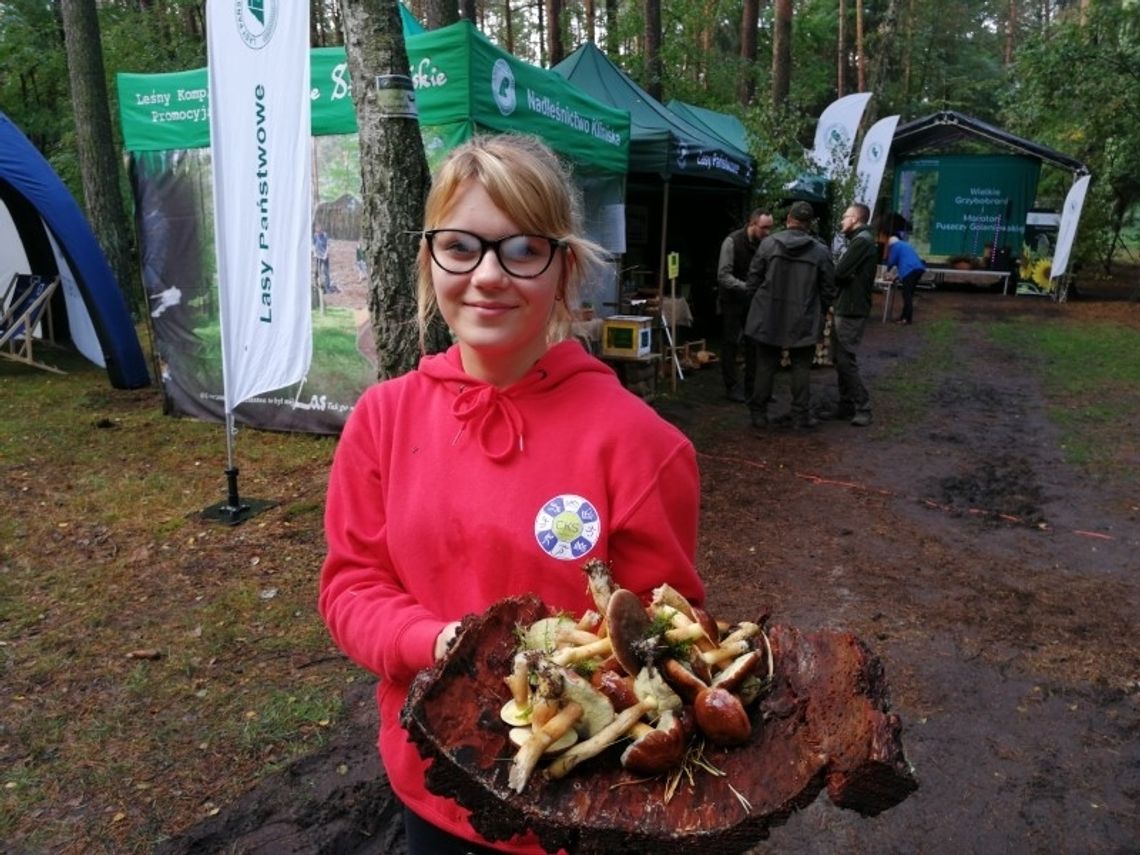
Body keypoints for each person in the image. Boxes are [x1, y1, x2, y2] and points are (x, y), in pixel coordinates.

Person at [318, 134, 705, 855]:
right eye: (460, 246)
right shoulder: (382, 419)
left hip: (580, 808)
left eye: (521, 248)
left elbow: (662, 645)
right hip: (433, 783)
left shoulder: (643, 446)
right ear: (430, 257)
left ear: (564, 267)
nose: (487, 275)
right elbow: (352, 587)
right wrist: (441, 646)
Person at [744, 200, 836, 430]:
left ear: (788, 220)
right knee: (801, 366)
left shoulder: (769, 244)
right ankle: (799, 416)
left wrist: (756, 306)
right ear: (809, 224)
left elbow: (753, 280)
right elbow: (827, 290)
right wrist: (821, 312)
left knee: (765, 364)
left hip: (768, 314)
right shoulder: (820, 252)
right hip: (803, 315)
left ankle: (759, 414)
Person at [826, 203, 878, 426]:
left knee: (845, 359)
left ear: (856, 218)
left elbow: (838, 272)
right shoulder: (861, 240)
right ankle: (845, 406)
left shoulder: (861, 241)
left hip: (851, 309)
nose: (841, 221)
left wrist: (845, 275)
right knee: (839, 358)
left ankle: (862, 406)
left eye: (845, 217)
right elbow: (844, 273)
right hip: (847, 306)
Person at [716, 209, 774, 402]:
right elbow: (723, 276)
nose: (768, 232)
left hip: (751, 301)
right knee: (730, 343)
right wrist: (747, 287)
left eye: (770, 228)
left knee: (753, 343)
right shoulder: (731, 242)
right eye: (764, 227)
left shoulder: (764, 245)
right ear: (752, 224)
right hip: (732, 300)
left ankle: (752, 388)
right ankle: (731, 387)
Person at [884, 230, 925, 324]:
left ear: (890, 243)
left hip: (909, 271)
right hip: (919, 269)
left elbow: (892, 261)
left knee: (907, 295)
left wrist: (887, 271)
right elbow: (905, 260)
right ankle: (903, 317)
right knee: (909, 294)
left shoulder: (895, 246)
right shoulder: (906, 244)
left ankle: (907, 319)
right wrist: (897, 275)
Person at [312, 225, 332, 293]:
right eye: (317, 232)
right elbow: (314, 244)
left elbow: (328, 245)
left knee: (326, 272)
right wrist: (314, 253)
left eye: (319, 232)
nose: (318, 233)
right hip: (318, 256)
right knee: (317, 271)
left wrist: (326, 254)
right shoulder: (315, 235)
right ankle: (316, 285)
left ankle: (327, 287)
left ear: (321, 231)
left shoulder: (325, 235)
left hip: (324, 256)